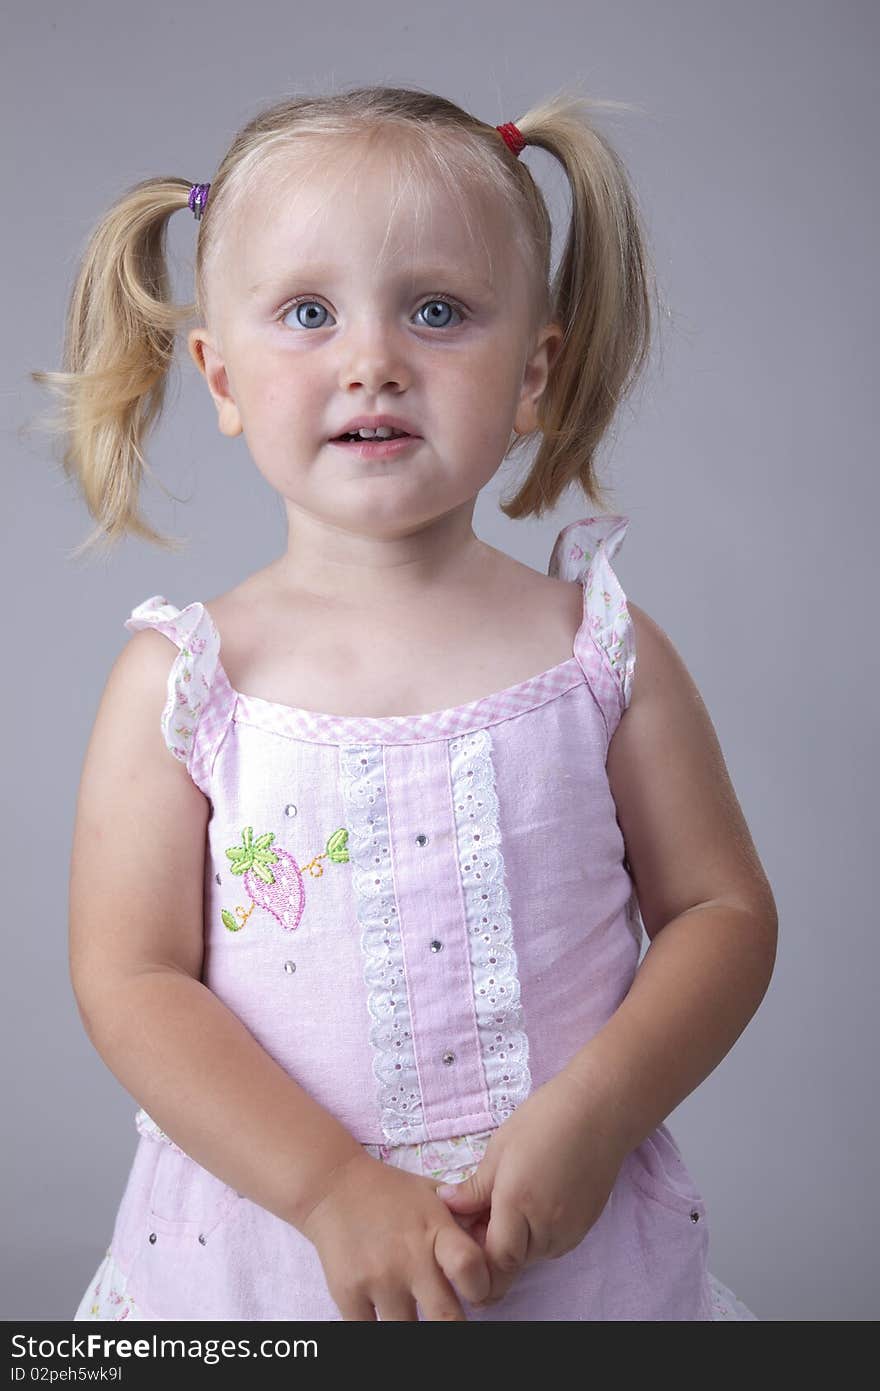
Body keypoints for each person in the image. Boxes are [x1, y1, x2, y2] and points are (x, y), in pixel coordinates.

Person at [33, 84, 776, 1321]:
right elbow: (131, 978)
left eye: (436, 311)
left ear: (532, 372)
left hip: (570, 1255)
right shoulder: (186, 683)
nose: (372, 359)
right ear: (219, 375)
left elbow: (720, 908)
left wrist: (595, 1117)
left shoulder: (597, 651)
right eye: (308, 314)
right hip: (263, 1262)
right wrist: (328, 1188)